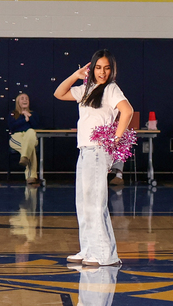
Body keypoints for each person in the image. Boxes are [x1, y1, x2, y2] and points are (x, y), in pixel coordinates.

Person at [54, 49, 133, 266]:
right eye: (98, 67)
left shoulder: (111, 89)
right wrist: (75, 75)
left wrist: (115, 139)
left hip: (98, 151)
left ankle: (105, 255)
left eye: (107, 68)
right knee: (84, 203)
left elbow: (127, 111)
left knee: (96, 203)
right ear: (92, 68)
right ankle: (88, 249)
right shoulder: (87, 89)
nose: (102, 72)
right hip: (85, 150)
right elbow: (59, 93)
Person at [8, 92, 40, 185]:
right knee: (31, 148)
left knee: (30, 132)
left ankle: (24, 157)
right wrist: (24, 119)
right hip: (17, 137)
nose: (25, 100)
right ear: (18, 102)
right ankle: (31, 177)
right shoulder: (13, 114)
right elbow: (12, 127)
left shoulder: (33, 114)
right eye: (22, 98)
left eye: (26, 98)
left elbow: (37, 127)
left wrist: (29, 116)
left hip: (30, 136)